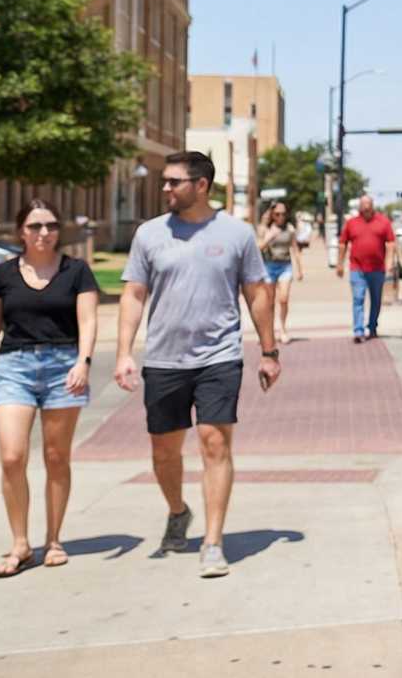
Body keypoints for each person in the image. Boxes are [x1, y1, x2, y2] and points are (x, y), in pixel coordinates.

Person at [114, 151, 281, 578]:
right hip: (165, 359)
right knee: (164, 450)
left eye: (173, 182)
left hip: (219, 356)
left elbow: (257, 293)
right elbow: (133, 295)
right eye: (165, 182)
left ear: (201, 185)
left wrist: (269, 350)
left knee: (214, 443)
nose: (165, 188)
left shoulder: (237, 234)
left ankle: (212, 540)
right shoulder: (149, 235)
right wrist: (123, 352)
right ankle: (177, 510)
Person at [0, 201, 100, 577]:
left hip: (63, 368)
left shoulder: (77, 271)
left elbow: (88, 322)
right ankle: (20, 543)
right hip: (14, 368)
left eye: (51, 226)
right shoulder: (2, 275)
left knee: (57, 457)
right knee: (12, 457)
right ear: (21, 231)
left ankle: (54, 539)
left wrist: (82, 362)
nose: (44, 233)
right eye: (36, 226)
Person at [337, 194, 397, 343]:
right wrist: (340, 264)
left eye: (368, 206)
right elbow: (343, 243)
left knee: (376, 300)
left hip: (377, 269)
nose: (366, 209)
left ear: (372, 206)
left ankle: (372, 327)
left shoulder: (383, 222)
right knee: (358, 298)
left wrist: (388, 263)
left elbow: (390, 243)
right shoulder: (352, 223)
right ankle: (358, 330)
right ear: (360, 207)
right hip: (357, 268)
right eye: (363, 206)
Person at [256, 202, 303, 344]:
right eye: (277, 214)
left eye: (283, 213)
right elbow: (258, 248)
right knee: (269, 302)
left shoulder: (289, 229)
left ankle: (282, 329)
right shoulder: (265, 228)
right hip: (269, 266)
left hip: (285, 266)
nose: (280, 216)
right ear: (272, 214)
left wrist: (300, 269)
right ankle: (269, 331)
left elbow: (295, 249)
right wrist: (269, 237)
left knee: (283, 299)